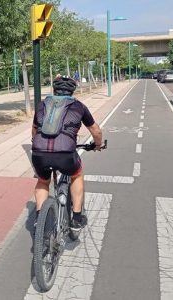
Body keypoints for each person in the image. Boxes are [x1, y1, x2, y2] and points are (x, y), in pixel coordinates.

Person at [31, 76, 103, 231]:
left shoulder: (42, 105)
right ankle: (76, 218)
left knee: (43, 181)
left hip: (39, 153)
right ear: (72, 91)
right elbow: (96, 131)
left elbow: (35, 129)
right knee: (76, 175)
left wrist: (37, 145)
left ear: (54, 90)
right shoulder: (79, 107)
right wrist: (98, 144)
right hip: (65, 154)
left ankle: (39, 218)